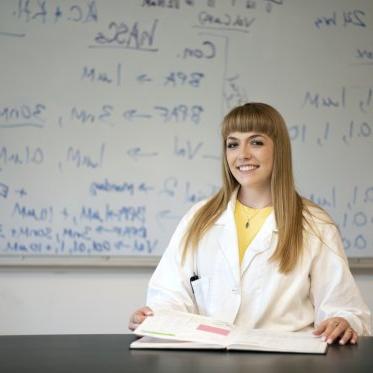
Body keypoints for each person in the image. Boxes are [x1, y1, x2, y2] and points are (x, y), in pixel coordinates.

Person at [129, 102, 371, 345]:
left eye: (256, 142)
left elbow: (344, 309)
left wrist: (344, 321)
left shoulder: (315, 225)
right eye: (233, 144)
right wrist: (154, 317)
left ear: (279, 149)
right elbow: (169, 295)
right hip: (208, 359)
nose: (242, 154)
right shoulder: (198, 218)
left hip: (287, 362)